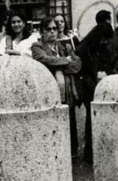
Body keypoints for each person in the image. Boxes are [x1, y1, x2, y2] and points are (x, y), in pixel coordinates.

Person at [31, 19, 82, 159]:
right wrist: (65, 61)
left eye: (54, 28)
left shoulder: (63, 46)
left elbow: (77, 64)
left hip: (68, 90)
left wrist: (60, 66)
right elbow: (43, 60)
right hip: (49, 91)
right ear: (42, 32)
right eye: (48, 29)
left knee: (70, 121)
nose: (52, 31)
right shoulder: (37, 46)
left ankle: (72, 153)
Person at [76, 10, 114, 163]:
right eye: (104, 39)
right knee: (93, 118)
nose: (105, 42)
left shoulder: (93, 46)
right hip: (90, 85)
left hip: (96, 83)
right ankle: (90, 153)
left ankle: (94, 151)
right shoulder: (86, 49)